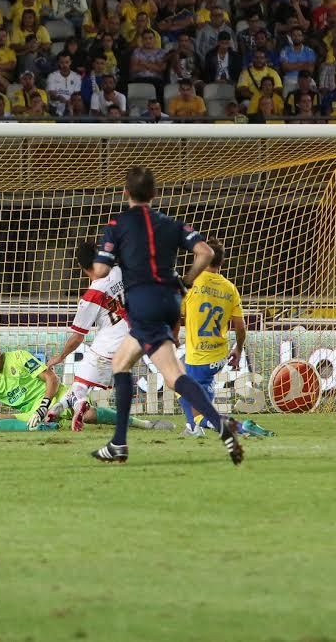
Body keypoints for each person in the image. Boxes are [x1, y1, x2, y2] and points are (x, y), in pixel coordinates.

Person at [89, 166, 245, 464]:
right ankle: (118, 443)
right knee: (122, 363)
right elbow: (205, 253)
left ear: (126, 193)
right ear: (155, 194)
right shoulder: (172, 224)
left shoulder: (118, 223)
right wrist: (186, 282)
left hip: (143, 302)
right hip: (170, 300)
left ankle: (123, 444)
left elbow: (100, 270)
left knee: (172, 376)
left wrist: (108, 258)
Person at [45, 242, 175, 432]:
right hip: (133, 341)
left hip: (107, 346)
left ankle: (78, 403)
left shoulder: (90, 296)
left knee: (81, 386)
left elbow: (78, 337)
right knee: (80, 384)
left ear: (81, 268)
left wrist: (61, 356)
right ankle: (56, 410)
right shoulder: (118, 271)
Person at [0, 335, 167, 432]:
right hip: (32, 414)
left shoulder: (19, 357)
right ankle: (45, 427)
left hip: (57, 398)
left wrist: (44, 405)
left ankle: (143, 423)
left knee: (88, 415)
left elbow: (51, 378)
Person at [176, 239, 272, 439]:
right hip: (219, 356)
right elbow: (240, 325)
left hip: (199, 356)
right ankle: (193, 426)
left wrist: (174, 337)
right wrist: (238, 349)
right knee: (190, 390)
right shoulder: (230, 289)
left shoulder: (191, 284)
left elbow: (176, 316)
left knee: (178, 383)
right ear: (221, 263)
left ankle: (239, 427)